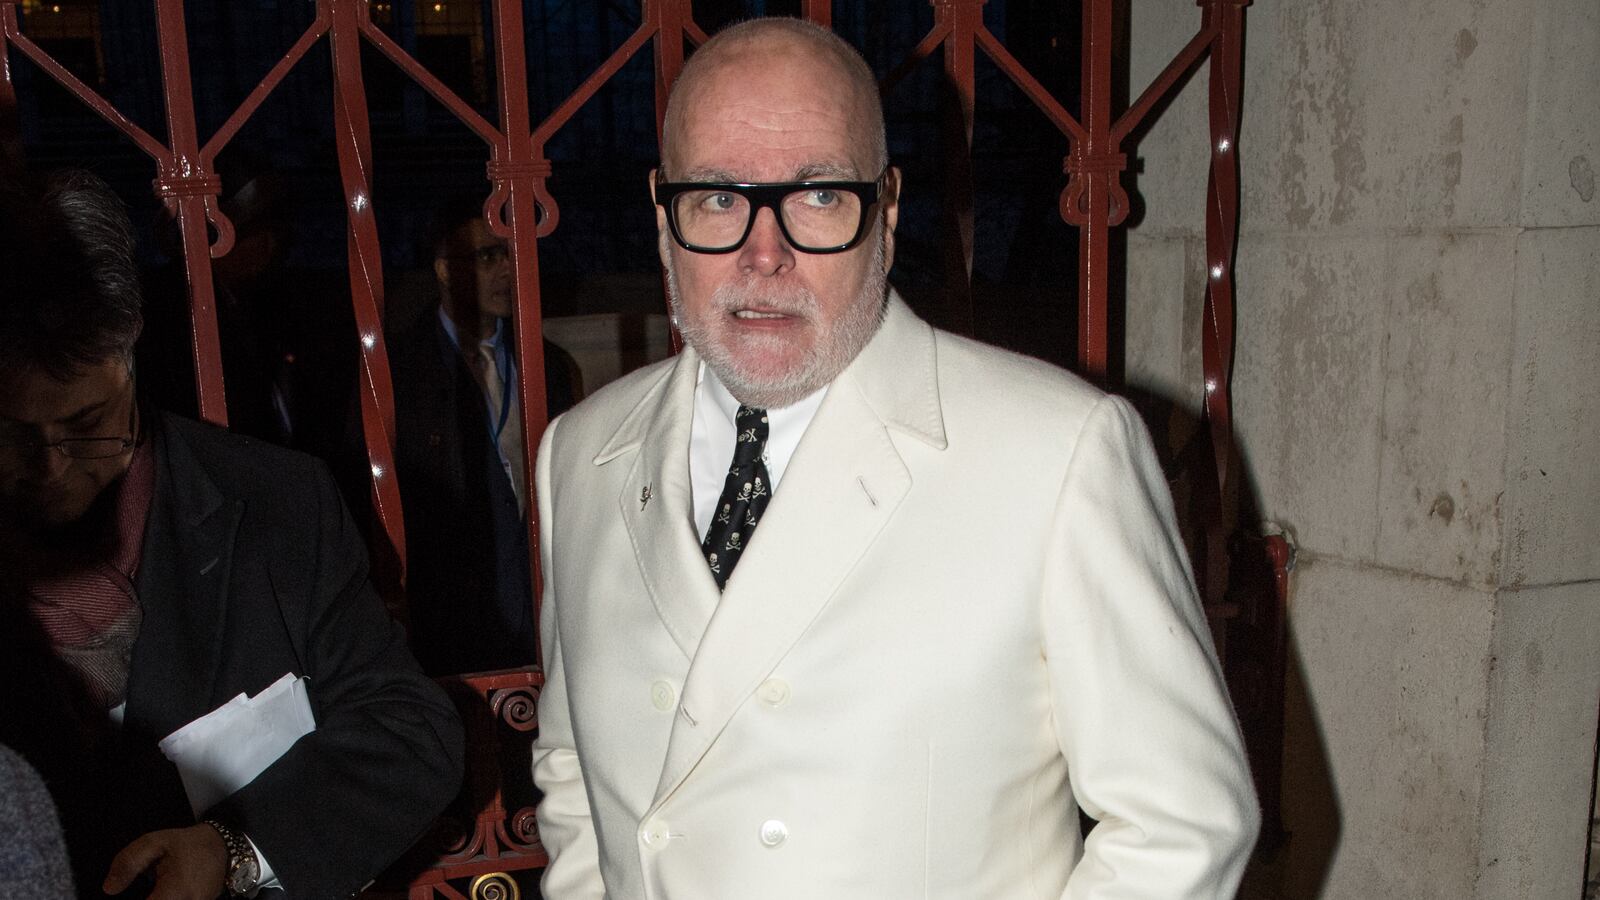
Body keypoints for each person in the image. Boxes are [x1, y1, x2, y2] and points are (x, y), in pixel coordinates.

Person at [530, 17, 1259, 899]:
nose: (765, 255)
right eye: (718, 199)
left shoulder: (1057, 453)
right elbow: (574, 775)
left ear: (887, 211)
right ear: (663, 217)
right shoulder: (580, 456)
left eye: (818, 196)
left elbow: (1183, 825)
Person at [0, 169, 464, 899]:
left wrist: (236, 847)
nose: (53, 468)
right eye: (16, 436)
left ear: (129, 355)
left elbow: (407, 732)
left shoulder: (274, 501)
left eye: (87, 424)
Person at [388, 197, 578, 675]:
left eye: (512, 254)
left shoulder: (547, 365)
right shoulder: (400, 373)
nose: (508, 270)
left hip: (538, 594)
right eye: (488, 256)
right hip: (448, 610)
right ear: (444, 269)